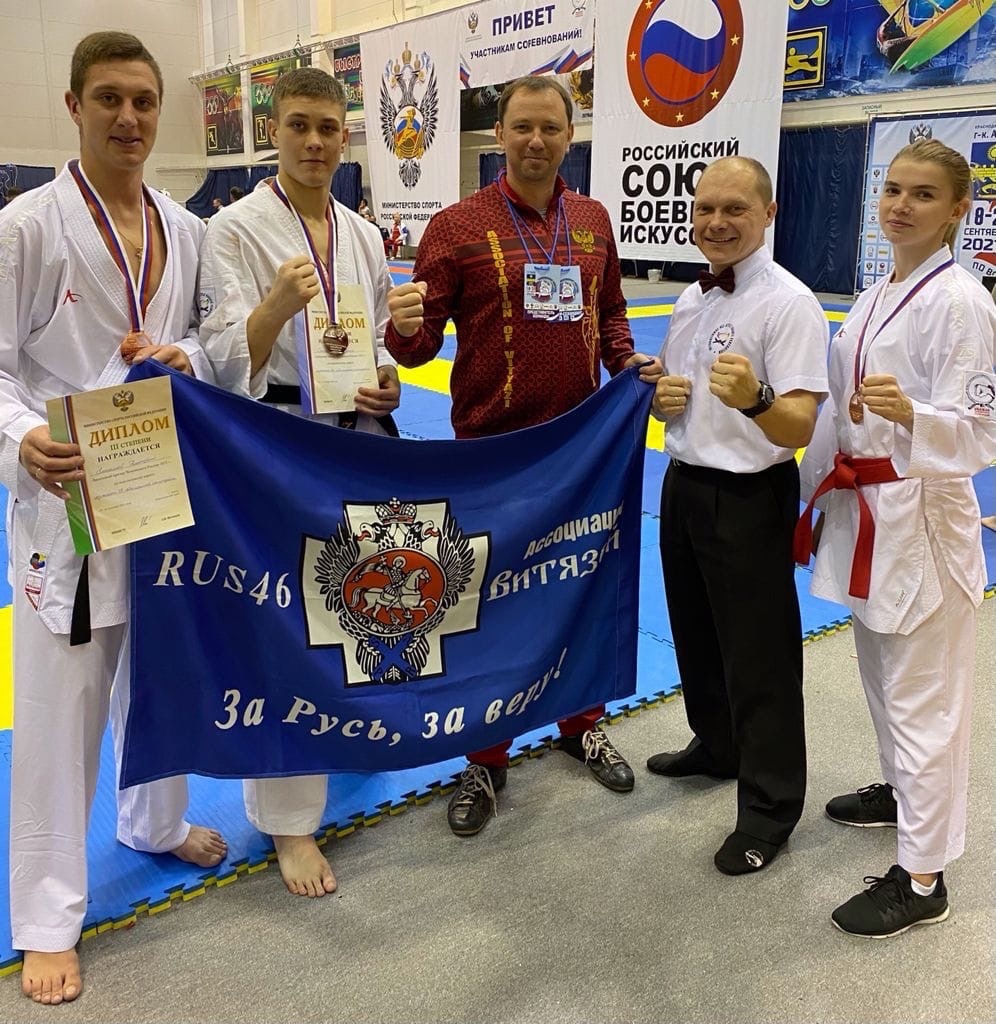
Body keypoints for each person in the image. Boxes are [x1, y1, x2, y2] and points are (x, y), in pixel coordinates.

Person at [0, 31, 226, 1005]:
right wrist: (19, 437)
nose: (129, 118)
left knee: (161, 675)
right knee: (63, 708)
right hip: (70, 498)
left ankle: (154, 823)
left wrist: (186, 360)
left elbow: (208, 342)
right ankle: (47, 916)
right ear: (74, 106)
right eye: (108, 99)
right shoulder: (25, 227)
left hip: (156, 484)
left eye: (143, 100)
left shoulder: (185, 226)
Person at [385, 75, 661, 837]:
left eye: (550, 127)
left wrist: (629, 366)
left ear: (570, 135)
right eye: (522, 127)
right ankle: (485, 756)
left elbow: (611, 316)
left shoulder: (593, 220)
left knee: (581, 586)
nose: (536, 140)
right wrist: (401, 325)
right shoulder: (456, 227)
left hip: (582, 451)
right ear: (500, 135)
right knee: (487, 607)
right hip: (492, 455)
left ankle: (582, 725)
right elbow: (418, 350)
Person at [198, 67, 400, 898]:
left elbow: (375, 342)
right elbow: (221, 363)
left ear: (345, 136)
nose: (314, 141)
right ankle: (286, 822)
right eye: (298, 126)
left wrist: (386, 380)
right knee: (286, 626)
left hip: (352, 440)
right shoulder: (231, 231)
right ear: (272, 133)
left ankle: (345, 736)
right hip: (273, 443)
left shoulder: (363, 234)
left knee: (357, 607)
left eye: (327, 127)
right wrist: (277, 304)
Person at [796, 139, 996, 937]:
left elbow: (982, 433)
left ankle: (923, 877)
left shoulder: (963, 303)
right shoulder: (879, 292)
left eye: (923, 194)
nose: (900, 206)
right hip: (867, 511)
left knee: (925, 699)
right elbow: (840, 405)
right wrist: (807, 485)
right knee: (882, 676)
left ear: (957, 210)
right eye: (892, 190)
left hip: (923, 520)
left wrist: (915, 415)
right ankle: (900, 792)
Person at [647, 155, 829, 875]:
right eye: (705, 209)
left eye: (735, 209)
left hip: (749, 496)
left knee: (761, 659)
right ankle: (718, 745)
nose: (716, 223)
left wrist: (756, 398)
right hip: (684, 483)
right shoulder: (691, 299)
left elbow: (799, 425)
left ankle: (770, 807)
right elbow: (677, 397)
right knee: (695, 635)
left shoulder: (789, 304)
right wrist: (662, 397)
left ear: (769, 214)